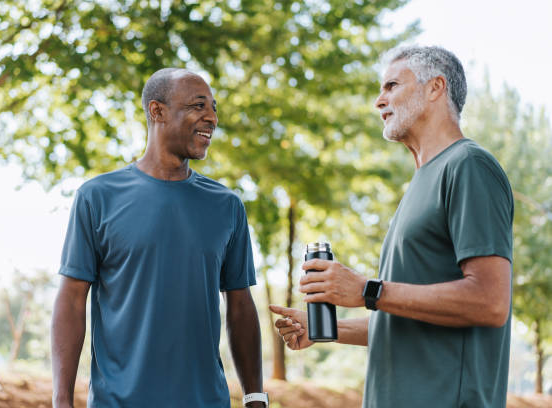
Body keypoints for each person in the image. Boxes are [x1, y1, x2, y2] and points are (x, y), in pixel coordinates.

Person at [270, 46, 513, 407]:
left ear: (435, 88)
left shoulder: (468, 165)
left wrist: (368, 290)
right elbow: (408, 321)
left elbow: (490, 302)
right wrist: (328, 329)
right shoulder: (420, 183)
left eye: (391, 86)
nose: (378, 101)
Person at [51, 68, 268, 408]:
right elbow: (72, 298)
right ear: (158, 111)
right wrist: (61, 399)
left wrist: (256, 397)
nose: (211, 118)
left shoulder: (227, 206)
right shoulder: (97, 197)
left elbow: (240, 305)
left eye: (213, 108)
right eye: (198, 106)